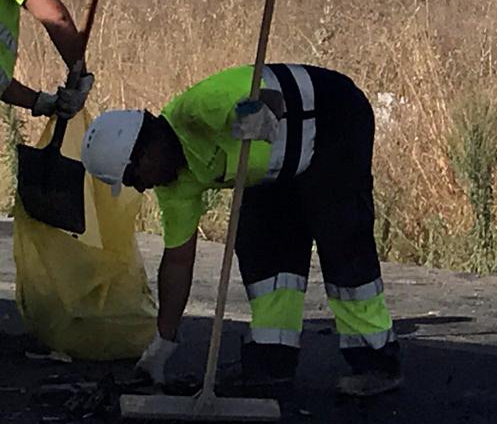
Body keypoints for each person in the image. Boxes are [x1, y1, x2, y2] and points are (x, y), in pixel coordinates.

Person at [80, 63, 402, 397]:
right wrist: (163, 343)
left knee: (342, 235)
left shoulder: (198, 109)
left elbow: (267, 94)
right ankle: (272, 359)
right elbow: (177, 261)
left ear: (143, 152)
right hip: (275, 166)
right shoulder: (175, 186)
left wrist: (260, 111)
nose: (142, 188)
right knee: (262, 246)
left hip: (332, 119)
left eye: (133, 178)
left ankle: (376, 361)